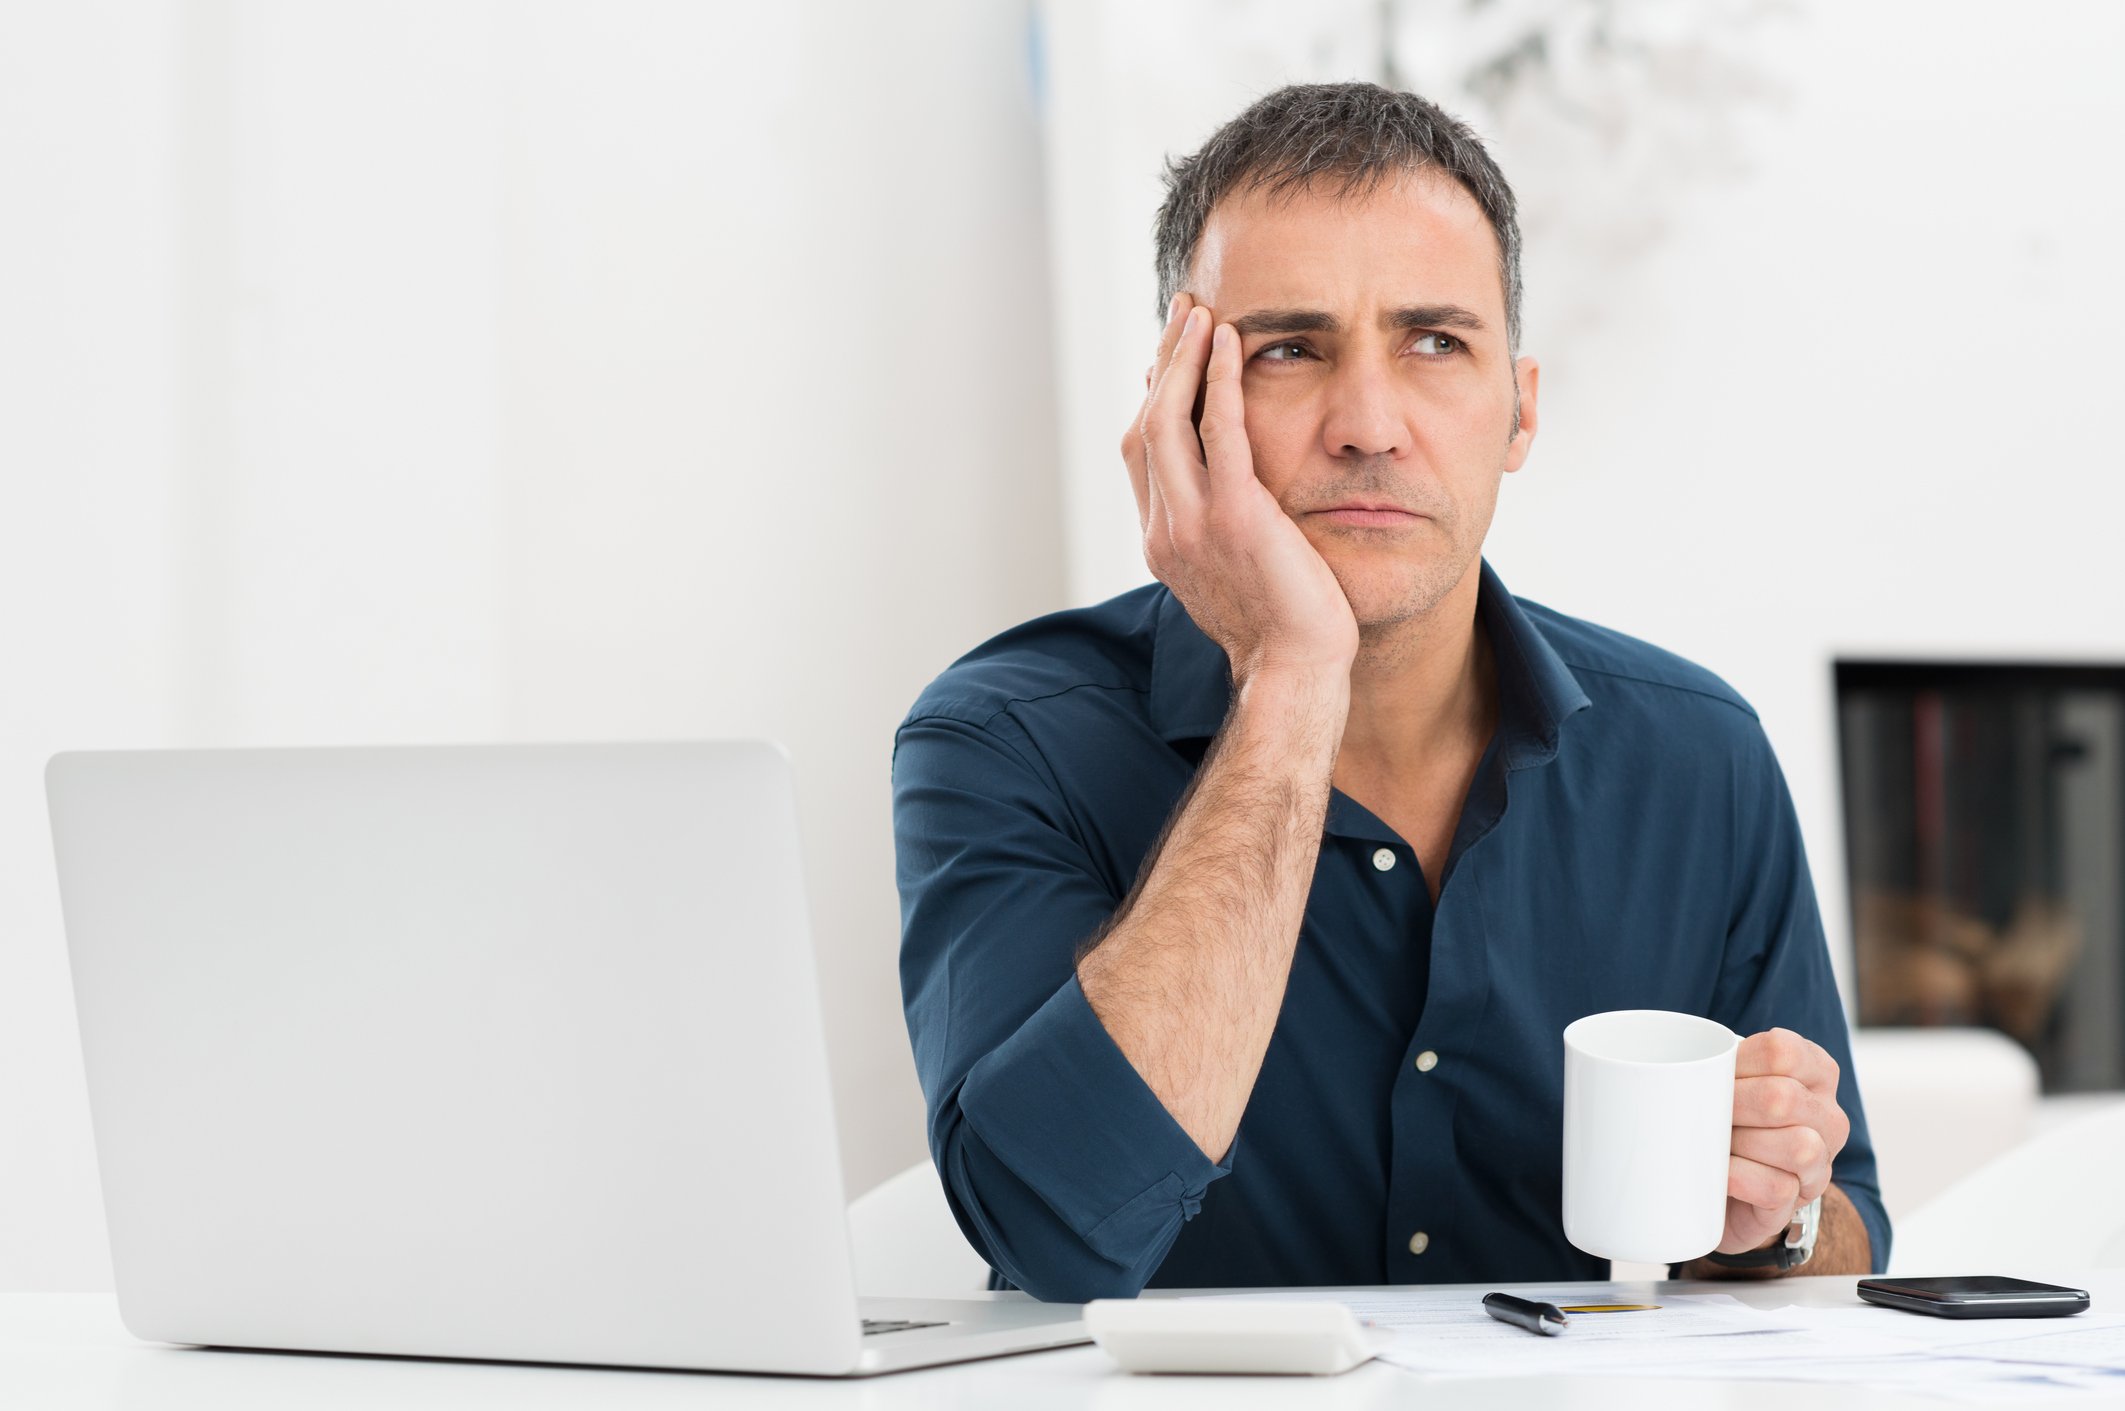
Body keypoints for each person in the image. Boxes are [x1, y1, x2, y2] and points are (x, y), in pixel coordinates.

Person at [891, 81, 1888, 1303]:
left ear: (1518, 409)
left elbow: (1850, 1237)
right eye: (1289, 349)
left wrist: (1768, 1220)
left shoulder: (1697, 755)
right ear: (1179, 407)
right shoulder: (1002, 742)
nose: (1369, 424)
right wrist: (1294, 679)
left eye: (1433, 342)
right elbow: (1056, 1227)